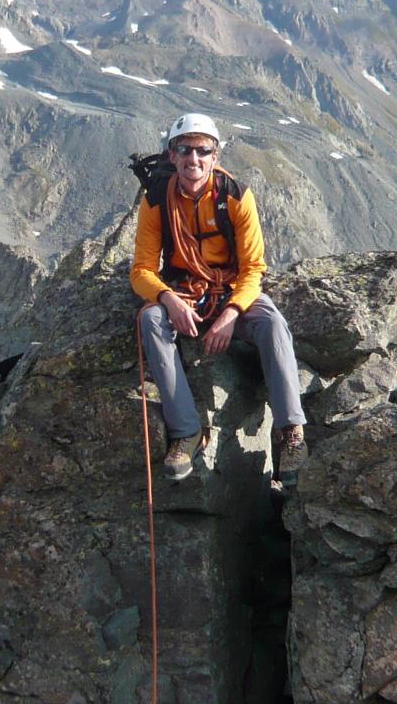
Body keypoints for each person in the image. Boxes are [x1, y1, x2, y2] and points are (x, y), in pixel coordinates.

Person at [130, 113, 306, 481]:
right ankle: (187, 432)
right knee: (150, 320)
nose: (194, 159)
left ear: (215, 156)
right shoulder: (157, 200)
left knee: (272, 323)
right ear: (172, 156)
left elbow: (253, 269)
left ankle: (289, 432)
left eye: (202, 151)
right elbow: (142, 270)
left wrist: (230, 315)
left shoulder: (235, 195)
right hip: (183, 289)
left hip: (230, 288)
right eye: (185, 150)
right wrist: (168, 299)